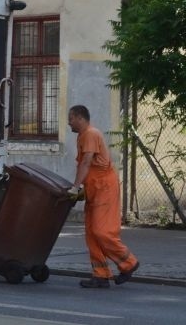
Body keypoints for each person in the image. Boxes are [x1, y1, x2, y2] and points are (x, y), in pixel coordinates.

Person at [67, 105, 140, 288]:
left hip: (104, 188)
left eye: (71, 118)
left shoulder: (91, 134)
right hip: (95, 188)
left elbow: (86, 162)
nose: (69, 122)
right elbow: (87, 167)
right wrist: (84, 188)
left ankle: (129, 262)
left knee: (101, 231)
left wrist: (75, 187)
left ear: (80, 118)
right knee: (91, 233)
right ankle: (100, 275)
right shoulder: (82, 136)